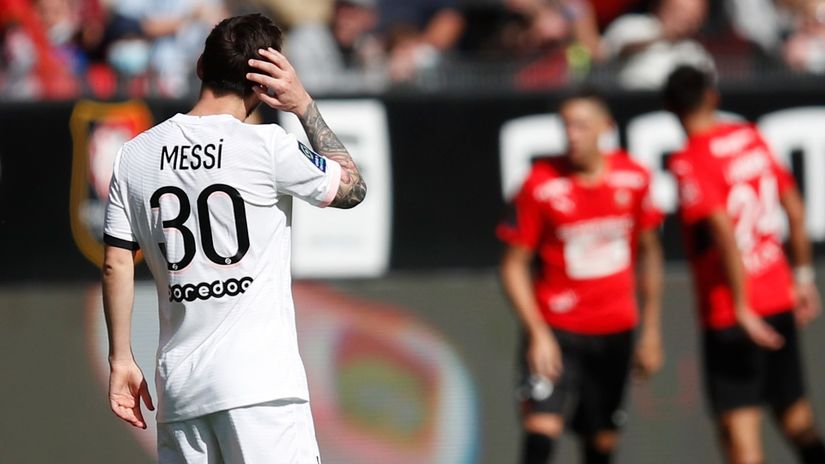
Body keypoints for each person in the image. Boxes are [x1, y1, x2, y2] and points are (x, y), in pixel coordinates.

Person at [101, 13, 366, 462]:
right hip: (261, 389)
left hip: (181, 391)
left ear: (201, 66)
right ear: (264, 83)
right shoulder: (268, 147)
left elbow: (116, 262)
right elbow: (352, 189)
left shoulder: (135, 155)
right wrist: (303, 104)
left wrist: (121, 359)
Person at [663, 65, 825, 464]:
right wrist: (804, 276)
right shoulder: (749, 136)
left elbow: (723, 233)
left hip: (731, 314)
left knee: (741, 441)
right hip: (779, 295)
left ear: (672, 109)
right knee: (797, 419)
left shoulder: (689, 160)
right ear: (712, 97)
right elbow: (794, 208)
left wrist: (740, 306)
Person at [498, 90, 664, 464]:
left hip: (614, 330)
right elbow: (512, 265)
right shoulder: (540, 183)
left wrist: (651, 331)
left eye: (582, 126)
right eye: (566, 126)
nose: (572, 135)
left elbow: (650, 252)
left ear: (606, 127)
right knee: (541, 434)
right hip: (557, 330)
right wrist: (537, 332)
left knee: (601, 441)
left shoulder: (634, 178)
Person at [602, 0, 714, 90]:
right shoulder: (632, 25)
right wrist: (663, 36)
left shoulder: (696, 50)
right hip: (629, 98)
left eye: (694, 16)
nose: (687, 20)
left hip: (672, 105)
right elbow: (614, 51)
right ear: (664, 6)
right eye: (682, 12)